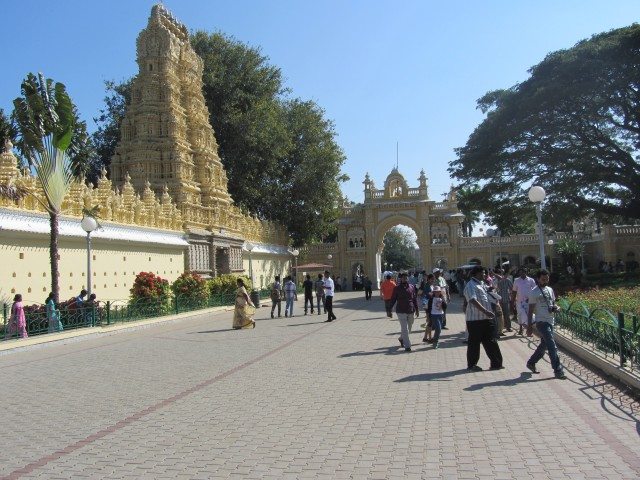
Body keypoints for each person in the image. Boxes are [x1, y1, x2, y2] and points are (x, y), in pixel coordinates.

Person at [526, 269, 566, 379]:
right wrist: (529, 326)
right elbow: (530, 311)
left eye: (547, 279)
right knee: (552, 345)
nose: (545, 281)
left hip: (550, 320)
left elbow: (553, 303)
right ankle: (558, 370)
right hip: (541, 322)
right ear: (538, 279)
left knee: (544, 345)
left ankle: (531, 362)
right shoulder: (534, 292)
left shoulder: (550, 289)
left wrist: (556, 308)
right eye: (543, 279)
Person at [463, 265, 503, 371]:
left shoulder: (482, 284)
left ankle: (496, 363)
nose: (484, 275)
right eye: (482, 273)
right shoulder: (470, 285)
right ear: (476, 274)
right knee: (474, 343)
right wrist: (485, 311)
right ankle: (472, 365)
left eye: (485, 273)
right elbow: (472, 300)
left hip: (487, 319)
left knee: (491, 341)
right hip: (475, 320)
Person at [389, 272, 419, 352]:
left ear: (408, 278)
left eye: (406, 278)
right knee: (404, 328)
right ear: (400, 279)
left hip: (410, 309)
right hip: (401, 310)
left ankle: (401, 338)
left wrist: (417, 309)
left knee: (409, 327)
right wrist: (389, 309)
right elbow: (393, 299)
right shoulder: (397, 288)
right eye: (403, 278)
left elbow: (414, 299)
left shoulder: (412, 287)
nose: (405, 279)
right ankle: (407, 346)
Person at [511, 267, 537, 335]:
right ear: (519, 273)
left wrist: (532, 298)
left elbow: (535, 290)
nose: (522, 273)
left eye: (523, 272)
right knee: (520, 315)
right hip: (519, 301)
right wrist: (512, 302)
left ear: (526, 272)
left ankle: (529, 330)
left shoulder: (531, 280)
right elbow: (514, 292)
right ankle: (520, 329)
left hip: (529, 302)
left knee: (529, 316)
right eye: (520, 272)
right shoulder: (516, 280)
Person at [494, 268, 513, 332]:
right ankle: (500, 328)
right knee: (499, 315)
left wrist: (511, 295)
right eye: (501, 273)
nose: (503, 274)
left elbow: (512, 288)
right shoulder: (496, 280)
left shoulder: (508, 280)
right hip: (498, 300)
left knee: (507, 314)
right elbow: (494, 289)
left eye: (504, 273)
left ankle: (508, 327)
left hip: (505, 299)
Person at [420, 274, 435, 342]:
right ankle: (430, 337)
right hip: (427, 305)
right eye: (431, 279)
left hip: (431, 305)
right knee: (430, 322)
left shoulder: (431, 285)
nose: (433, 280)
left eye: (433, 279)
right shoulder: (427, 286)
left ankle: (425, 337)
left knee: (430, 322)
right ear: (428, 279)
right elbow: (428, 295)